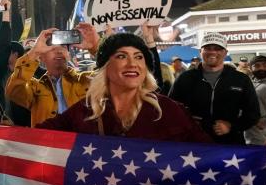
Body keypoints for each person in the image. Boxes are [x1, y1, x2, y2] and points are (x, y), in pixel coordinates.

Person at [38, 33, 212, 142]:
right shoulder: (84, 111)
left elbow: (210, 155)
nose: (132, 64)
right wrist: (34, 53)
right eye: (121, 56)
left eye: (139, 57)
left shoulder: (170, 110)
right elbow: (33, 138)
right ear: (106, 67)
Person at [169, 32, 261, 145]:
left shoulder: (241, 79)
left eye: (218, 48)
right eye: (208, 48)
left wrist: (231, 126)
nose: (212, 52)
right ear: (200, 51)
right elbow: (171, 110)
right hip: (193, 145)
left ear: (225, 52)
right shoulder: (185, 78)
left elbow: (253, 114)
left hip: (230, 146)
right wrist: (189, 124)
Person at [5, 25, 98, 126]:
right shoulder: (35, 88)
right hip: (45, 140)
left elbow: (111, 78)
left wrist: (95, 47)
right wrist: (35, 51)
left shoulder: (85, 80)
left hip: (81, 141)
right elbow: (13, 90)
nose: (58, 51)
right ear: (41, 57)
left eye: (63, 47)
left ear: (68, 54)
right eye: (52, 48)